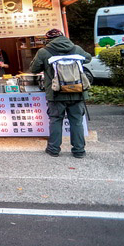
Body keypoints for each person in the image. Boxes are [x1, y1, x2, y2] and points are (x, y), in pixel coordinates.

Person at [29, 28, 92, 158]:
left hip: (55, 93)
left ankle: (53, 149)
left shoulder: (44, 52)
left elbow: (34, 69)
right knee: (76, 121)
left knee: (56, 121)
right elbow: (88, 59)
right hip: (77, 92)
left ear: (48, 40)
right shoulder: (76, 49)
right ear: (63, 37)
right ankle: (79, 151)